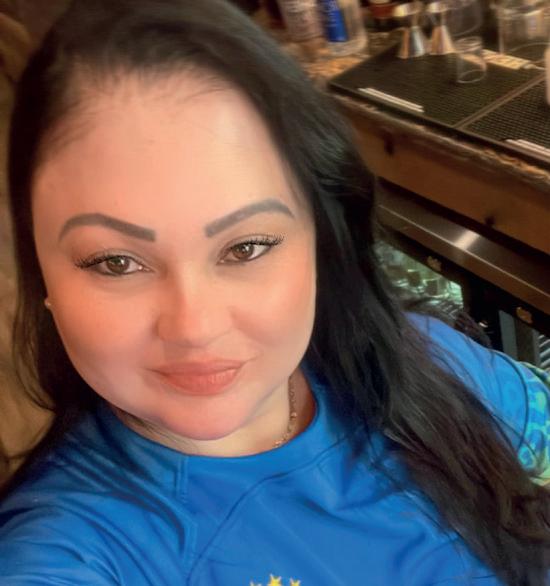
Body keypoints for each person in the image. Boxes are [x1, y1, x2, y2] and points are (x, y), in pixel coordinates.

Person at [0, 0, 548, 584]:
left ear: (320, 244)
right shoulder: (67, 554)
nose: (194, 326)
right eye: (115, 262)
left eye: (246, 248)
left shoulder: (422, 359)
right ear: (43, 279)